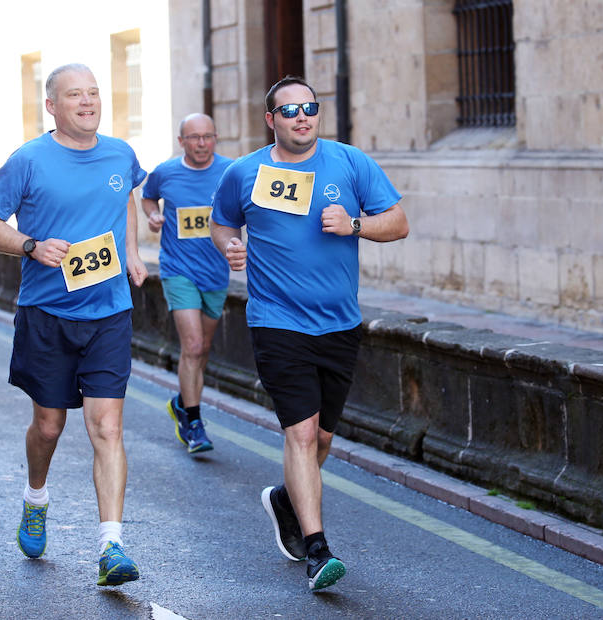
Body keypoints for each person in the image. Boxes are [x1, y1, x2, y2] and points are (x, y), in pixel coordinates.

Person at [210, 76, 409, 591]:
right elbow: (222, 222)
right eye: (290, 110)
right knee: (300, 433)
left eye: (310, 108)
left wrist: (356, 225)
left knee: (321, 439)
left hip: (340, 323)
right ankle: (317, 551)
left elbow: (399, 220)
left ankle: (285, 497)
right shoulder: (245, 172)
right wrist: (230, 248)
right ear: (270, 119)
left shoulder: (349, 162)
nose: (302, 117)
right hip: (277, 322)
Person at [0, 63, 148, 587]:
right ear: (52, 105)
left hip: (109, 314)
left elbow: (128, 201)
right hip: (47, 315)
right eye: (75, 95)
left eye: (94, 92)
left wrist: (133, 253)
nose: (88, 102)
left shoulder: (121, 153)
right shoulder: (28, 160)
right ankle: (35, 496)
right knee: (49, 425)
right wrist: (31, 246)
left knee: (108, 427)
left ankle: (111, 546)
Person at [141, 113, 233, 454]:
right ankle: (193, 423)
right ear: (182, 141)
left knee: (203, 349)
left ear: (215, 138)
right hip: (178, 269)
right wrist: (153, 215)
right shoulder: (165, 172)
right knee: (192, 346)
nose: (202, 143)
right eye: (194, 137)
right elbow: (147, 196)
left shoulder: (230, 170)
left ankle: (182, 402)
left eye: (208, 136)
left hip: (216, 272)